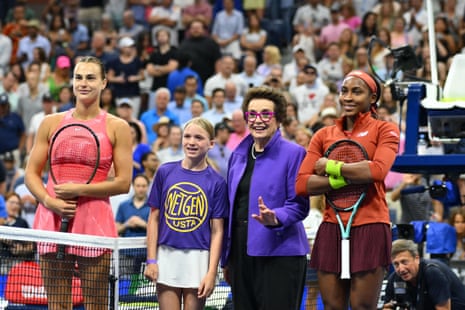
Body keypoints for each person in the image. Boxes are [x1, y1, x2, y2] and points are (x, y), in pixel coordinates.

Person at [24, 56, 132, 309]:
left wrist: (79, 190)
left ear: (104, 83)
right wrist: (50, 201)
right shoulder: (50, 122)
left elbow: (124, 183)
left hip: (94, 220)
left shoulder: (118, 126)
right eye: (79, 77)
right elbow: (31, 174)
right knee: (58, 305)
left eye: (91, 77)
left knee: (96, 304)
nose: (83, 83)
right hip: (52, 217)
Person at [295, 70, 400, 310]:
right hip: (332, 226)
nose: (348, 97)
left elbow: (377, 171)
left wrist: (330, 166)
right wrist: (345, 179)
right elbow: (302, 185)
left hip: (371, 225)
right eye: (344, 91)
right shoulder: (323, 134)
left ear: (373, 98)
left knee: (362, 306)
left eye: (356, 91)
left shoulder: (386, 130)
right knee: (332, 307)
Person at [222, 86, 309, 310]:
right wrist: (228, 256)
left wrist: (275, 217)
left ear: (278, 118)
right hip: (241, 253)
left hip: (280, 252)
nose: (257, 120)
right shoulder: (238, 155)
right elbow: (233, 206)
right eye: (252, 114)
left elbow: (299, 206)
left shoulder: (294, 153)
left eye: (265, 114)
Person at [144, 117, 228, 310]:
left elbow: (217, 231)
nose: (191, 142)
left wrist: (211, 272)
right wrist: (151, 260)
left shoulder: (217, 183)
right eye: (187, 136)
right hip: (166, 256)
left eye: (199, 137)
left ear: (211, 144)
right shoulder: (165, 172)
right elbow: (153, 219)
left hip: (199, 259)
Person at [383, 239, 465, 309]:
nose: (401, 269)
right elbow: (386, 306)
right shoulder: (394, 278)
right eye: (396, 264)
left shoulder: (432, 273)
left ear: (417, 259)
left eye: (404, 262)